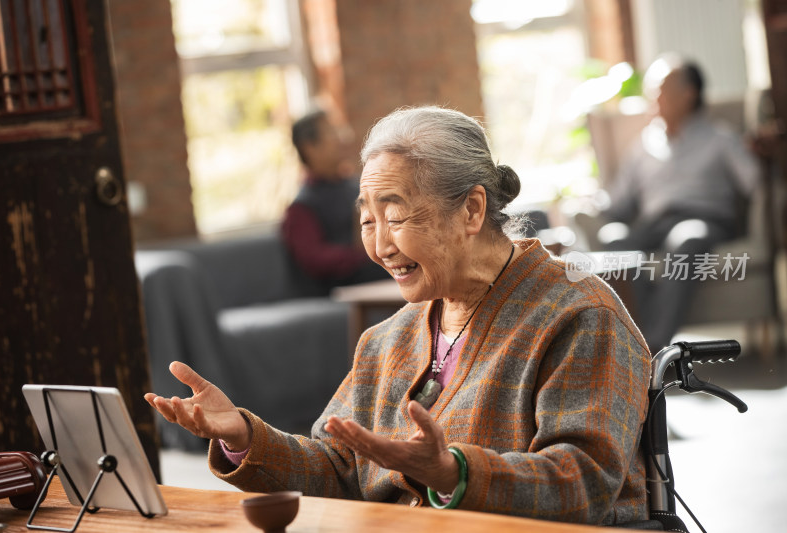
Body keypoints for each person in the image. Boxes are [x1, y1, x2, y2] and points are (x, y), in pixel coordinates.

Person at [145, 106, 651, 525]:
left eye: (395, 215)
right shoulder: (387, 339)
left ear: (472, 210)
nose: (380, 244)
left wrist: (453, 473)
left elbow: (583, 484)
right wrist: (241, 435)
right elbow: (338, 468)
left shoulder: (581, 314)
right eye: (367, 220)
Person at [598, 55, 760, 351]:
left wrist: (762, 151)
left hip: (703, 220)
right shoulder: (644, 144)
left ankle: (655, 347)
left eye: (659, 88)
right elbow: (617, 201)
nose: (652, 96)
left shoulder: (720, 138)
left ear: (688, 94)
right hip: (654, 223)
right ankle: (639, 344)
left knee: (686, 238)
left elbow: (755, 182)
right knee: (615, 241)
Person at [282, 110, 387, 288]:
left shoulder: (355, 185)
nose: (342, 139)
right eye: (332, 133)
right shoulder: (301, 207)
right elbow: (315, 260)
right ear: (310, 147)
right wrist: (364, 253)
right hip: (344, 282)